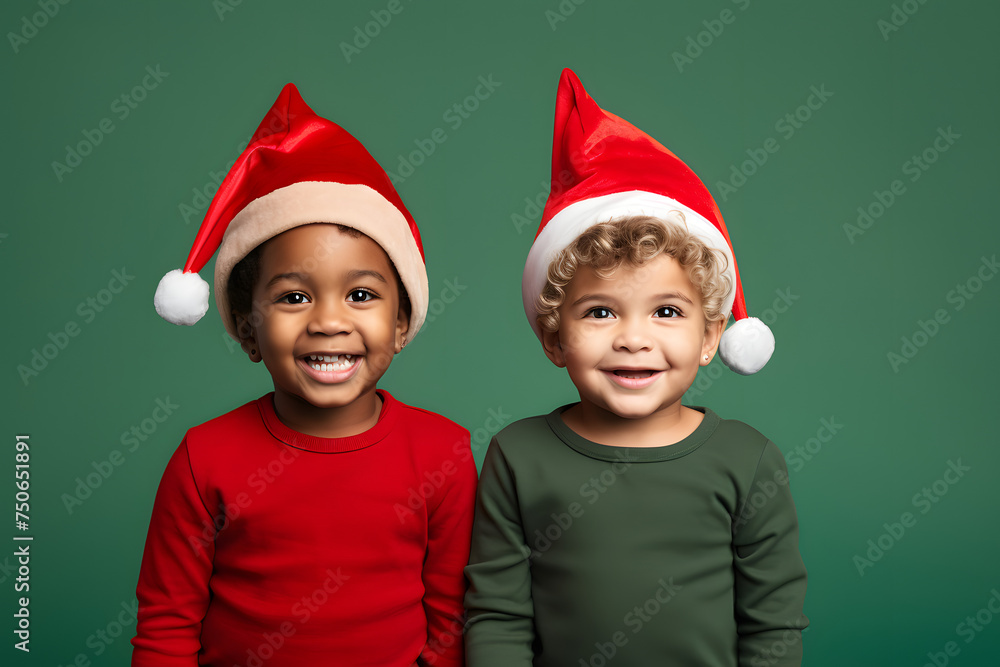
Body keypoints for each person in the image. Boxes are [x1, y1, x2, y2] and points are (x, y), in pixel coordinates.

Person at [464, 69, 808, 667]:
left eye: (667, 312)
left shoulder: (748, 462)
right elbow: (497, 615)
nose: (633, 339)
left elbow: (773, 623)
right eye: (600, 311)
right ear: (554, 337)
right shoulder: (517, 457)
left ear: (710, 336)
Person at [134, 83, 476, 666]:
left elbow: (452, 623)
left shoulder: (444, 453)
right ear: (247, 330)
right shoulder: (203, 458)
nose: (328, 321)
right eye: (294, 297)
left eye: (361, 294)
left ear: (401, 322)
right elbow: (166, 627)